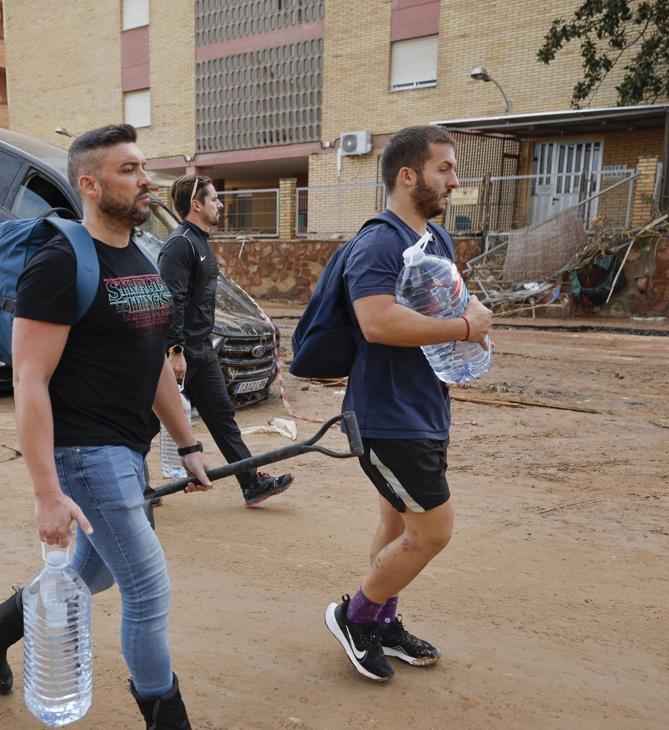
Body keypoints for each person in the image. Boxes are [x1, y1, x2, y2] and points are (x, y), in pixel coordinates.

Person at [0, 124, 236, 730]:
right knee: (146, 587)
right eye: (129, 169)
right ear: (90, 183)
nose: (146, 180)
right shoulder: (60, 261)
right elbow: (28, 379)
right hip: (84, 455)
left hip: (128, 450)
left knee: (91, 576)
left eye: (145, 167)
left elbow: (157, 366)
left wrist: (189, 446)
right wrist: (46, 491)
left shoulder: (139, 258)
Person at [324, 126, 492, 681]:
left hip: (425, 406)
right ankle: (358, 615)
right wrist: (466, 326)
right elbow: (377, 322)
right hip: (387, 417)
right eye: (443, 168)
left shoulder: (434, 239)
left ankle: (382, 621)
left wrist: (468, 319)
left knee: (397, 524)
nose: (454, 179)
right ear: (408, 174)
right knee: (433, 530)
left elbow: (440, 308)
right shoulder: (378, 242)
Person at [160, 175, 293, 507]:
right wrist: (175, 350)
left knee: (223, 419)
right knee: (145, 419)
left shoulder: (201, 243)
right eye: (215, 199)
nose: (220, 204)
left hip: (202, 352)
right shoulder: (180, 245)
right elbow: (172, 300)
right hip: (181, 353)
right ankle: (131, 488)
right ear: (196, 204)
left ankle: (251, 482)